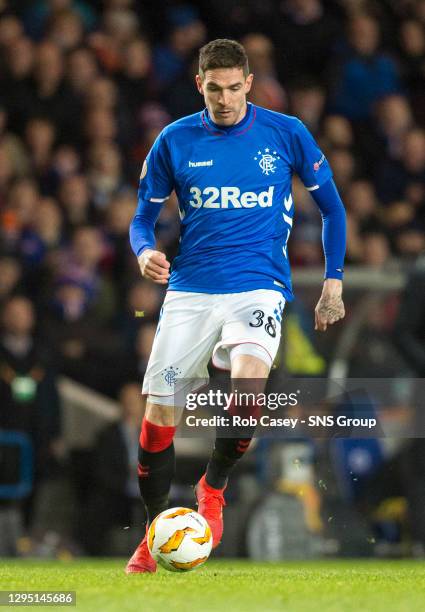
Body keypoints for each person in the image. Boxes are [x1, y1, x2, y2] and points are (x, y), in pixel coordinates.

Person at [126, 39, 346, 573]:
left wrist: (334, 281)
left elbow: (334, 211)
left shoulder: (286, 132)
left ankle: (213, 489)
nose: (224, 99)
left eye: (232, 87)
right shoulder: (173, 140)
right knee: (158, 415)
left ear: (248, 83)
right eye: (213, 88)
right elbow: (141, 220)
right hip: (190, 290)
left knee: (249, 388)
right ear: (199, 85)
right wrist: (144, 251)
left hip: (258, 285)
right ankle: (156, 534)